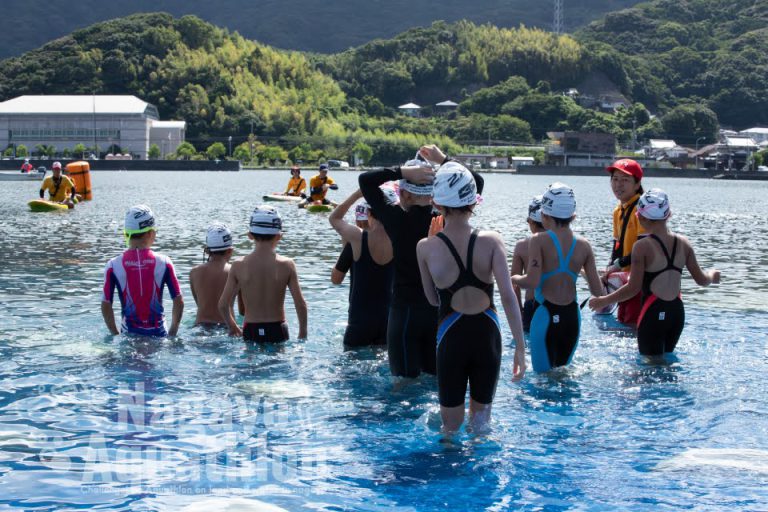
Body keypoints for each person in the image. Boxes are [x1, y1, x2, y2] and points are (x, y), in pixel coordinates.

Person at [416, 162, 525, 434]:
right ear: (474, 201)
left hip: (450, 338)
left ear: (436, 203)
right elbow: (508, 296)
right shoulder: (493, 240)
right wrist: (521, 348)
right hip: (487, 337)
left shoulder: (425, 247)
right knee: (481, 425)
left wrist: (434, 244)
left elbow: (431, 299)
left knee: (450, 426)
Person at [359, 144, 484, 378]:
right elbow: (476, 182)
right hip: (440, 314)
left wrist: (401, 172)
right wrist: (444, 159)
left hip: (404, 313)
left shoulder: (396, 219)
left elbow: (365, 180)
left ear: (405, 194)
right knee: (436, 383)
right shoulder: (446, 220)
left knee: (403, 384)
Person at [589, 189, 721, 356]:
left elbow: (633, 288)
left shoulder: (642, 247)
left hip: (653, 311)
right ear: (669, 215)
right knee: (666, 360)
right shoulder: (684, 243)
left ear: (640, 217)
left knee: (650, 365)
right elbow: (702, 280)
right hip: (677, 313)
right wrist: (712, 275)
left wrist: (603, 300)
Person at [512, 183, 604, 373]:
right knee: (563, 374)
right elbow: (598, 291)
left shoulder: (538, 240)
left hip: (545, 315)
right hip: (572, 317)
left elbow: (532, 281)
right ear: (573, 216)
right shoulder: (584, 245)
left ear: (544, 216)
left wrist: (514, 278)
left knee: (542, 378)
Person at [217, 205, 308, 342]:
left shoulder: (238, 265)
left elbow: (223, 305)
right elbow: (300, 304)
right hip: (278, 329)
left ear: (250, 235)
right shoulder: (287, 265)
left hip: (251, 329)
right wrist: (302, 334)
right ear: (279, 236)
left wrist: (233, 327)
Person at [101, 205, 184, 337]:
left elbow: (106, 303)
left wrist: (115, 334)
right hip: (159, 335)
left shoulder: (113, 265)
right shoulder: (164, 262)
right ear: (151, 233)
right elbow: (178, 300)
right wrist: (172, 333)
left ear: (126, 233)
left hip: (129, 336)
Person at [329, 189, 395, 347]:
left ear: (369, 212)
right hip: (389, 323)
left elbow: (334, 218)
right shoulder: (401, 238)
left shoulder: (357, 237)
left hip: (359, 322)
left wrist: (357, 194)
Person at [605, 158, 646, 326]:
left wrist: (617, 265)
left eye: (625, 180)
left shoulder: (642, 209)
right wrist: (610, 266)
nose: (618, 185)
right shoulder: (618, 210)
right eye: (615, 179)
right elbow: (617, 246)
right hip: (625, 279)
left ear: (637, 184)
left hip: (640, 280)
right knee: (622, 323)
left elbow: (644, 249)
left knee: (632, 326)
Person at [510, 195, 546, 332]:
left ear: (531, 221)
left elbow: (514, 285)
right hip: (557, 304)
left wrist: (519, 311)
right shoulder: (560, 244)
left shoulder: (521, 246)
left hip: (532, 305)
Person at [190, 223, 235, 327]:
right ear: (230, 250)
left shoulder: (194, 272)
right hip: (227, 327)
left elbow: (199, 304)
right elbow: (243, 310)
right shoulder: (234, 271)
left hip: (200, 327)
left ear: (207, 251)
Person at [330, 201, 371, 284]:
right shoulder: (391, 237)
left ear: (357, 221)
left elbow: (336, 279)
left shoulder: (355, 241)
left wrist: (344, 247)